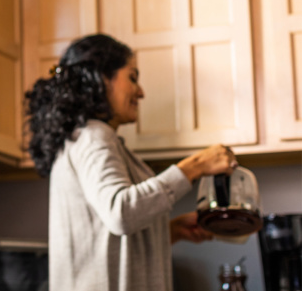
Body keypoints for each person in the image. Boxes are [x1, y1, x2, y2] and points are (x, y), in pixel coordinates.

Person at [25, 33, 238, 291]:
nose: (141, 92)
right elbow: (120, 212)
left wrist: (170, 231)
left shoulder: (84, 138)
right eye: (132, 78)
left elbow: (102, 236)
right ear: (102, 78)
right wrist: (194, 166)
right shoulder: (94, 137)